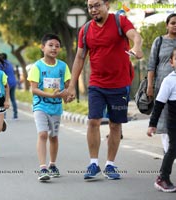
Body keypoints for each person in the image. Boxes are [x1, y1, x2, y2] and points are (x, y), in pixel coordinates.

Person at [67, 0, 143, 180]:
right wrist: (71, 85)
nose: (93, 9)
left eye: (97, 5)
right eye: (90, 6)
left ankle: (110, 165)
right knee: (93, 120)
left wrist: (137, 47)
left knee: (115, 124)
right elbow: (79, 57)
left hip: (119, 85)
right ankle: (93, 163)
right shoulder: (85, 30)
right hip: (97, 85)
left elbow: (136, 36)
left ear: (107, 5)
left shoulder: (120, 21)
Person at [27, 33, 71, 182]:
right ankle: (42, 168)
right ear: (42, 47)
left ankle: (52, 165)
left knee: (53, 136)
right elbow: (33, 89)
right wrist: (49, 95)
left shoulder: (63, 66)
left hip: (56, 108)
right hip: (40, 105)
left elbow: (67, 87)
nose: (54, 48)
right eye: (50, 45)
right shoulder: (37, 66)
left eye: (57, 46)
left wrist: (68, 96)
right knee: (43, 134)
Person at [147, 47, 176, 193]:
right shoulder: (169, 81)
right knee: (173, 149)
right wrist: (152, 124)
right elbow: (158, 105)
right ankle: (162, 178)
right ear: (172, 62)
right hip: (174, 123)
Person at [147, 13, 176, 155]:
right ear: (167, 25)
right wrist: (150, 86)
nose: (175, 25)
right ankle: (167, 151)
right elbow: (151, 65)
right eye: (173, 23)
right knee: (164, 120)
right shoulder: (159, 41)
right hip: (162, 87)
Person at [0, 53, 18, 119]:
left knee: (4, 100)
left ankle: (4, 116)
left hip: (6, 84)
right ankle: (15, 115)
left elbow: (0, 74)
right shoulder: (10, 63)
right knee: (13, 99)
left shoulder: (1, 64)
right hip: (13, 82)